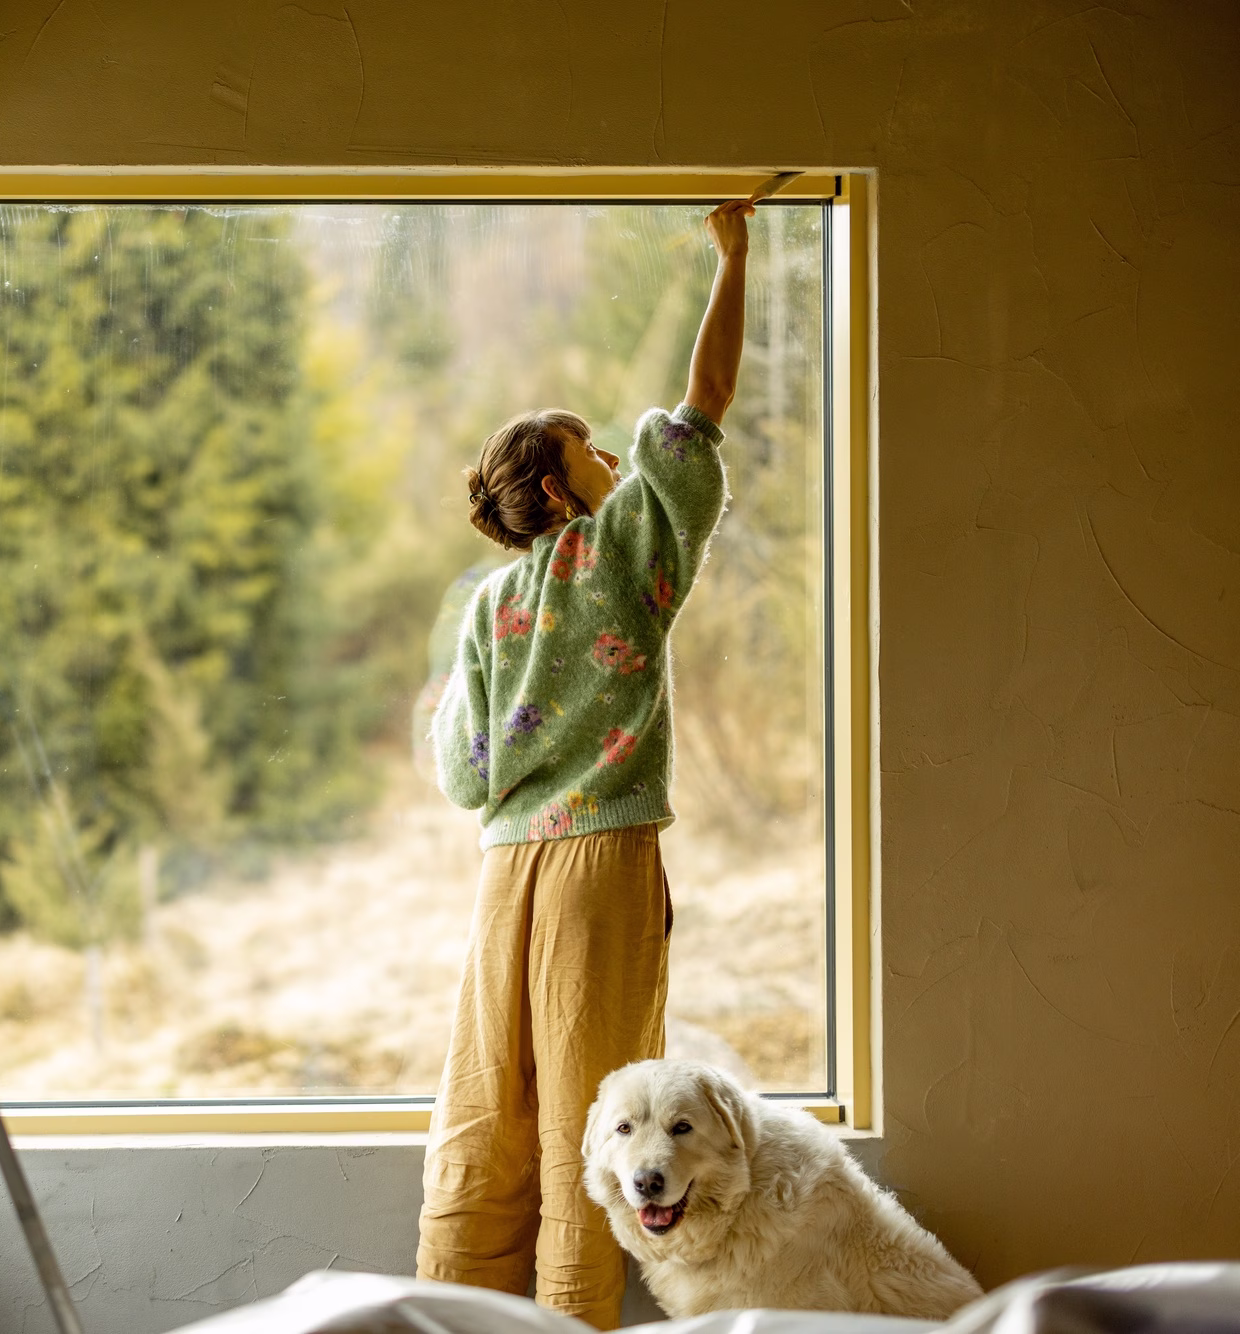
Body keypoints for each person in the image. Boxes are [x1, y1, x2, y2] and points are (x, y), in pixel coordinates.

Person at [416, 198, 754, 1328]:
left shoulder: (486, 606)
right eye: (594, 452)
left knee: (487, 1111)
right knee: (595, 1124)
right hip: (599, 866)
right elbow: (704, 402)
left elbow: (462, 774)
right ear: (562, 491)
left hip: (504, 873)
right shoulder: (622, 552)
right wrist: (733, 257)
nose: (616, 459)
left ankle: (450, 1313)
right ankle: (570, 1321)